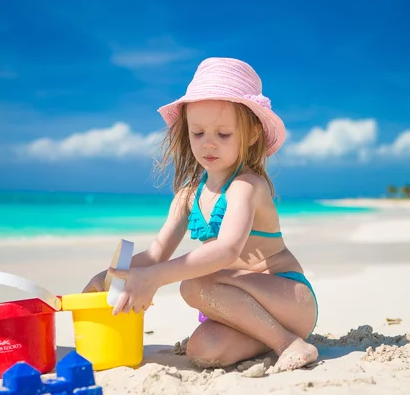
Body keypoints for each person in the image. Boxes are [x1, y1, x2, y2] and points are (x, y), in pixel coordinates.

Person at [83, 57, 319, 372]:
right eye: (198, 133)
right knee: (203, 351)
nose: (208, 143)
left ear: (251, 135)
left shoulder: (247, 186)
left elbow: (227, 250)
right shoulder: (187, 196)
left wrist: (155, 279)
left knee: (193, 284)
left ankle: (288, 343)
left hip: (288, 296)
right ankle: (273, 337)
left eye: (223, 134)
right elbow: (156, 254)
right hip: (243, 308)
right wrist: (112, 275)